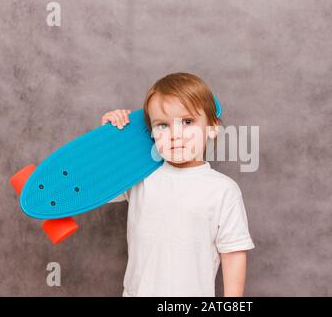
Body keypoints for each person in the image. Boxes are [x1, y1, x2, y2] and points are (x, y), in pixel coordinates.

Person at [101, 72, 255, 296]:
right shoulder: (140, 178)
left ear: (212, 127)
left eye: (187, 122)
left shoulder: (223, 190)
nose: (175, 134)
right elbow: (96, 189)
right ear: (151, 133)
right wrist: (108, 138)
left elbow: (233, 253)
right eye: (162, 125)